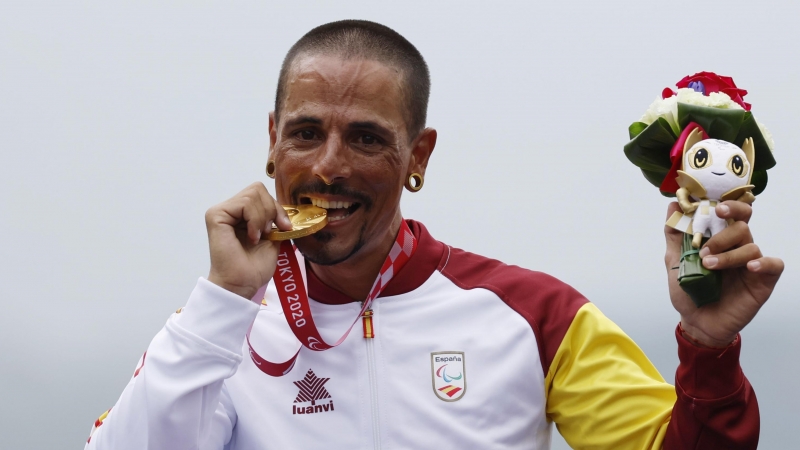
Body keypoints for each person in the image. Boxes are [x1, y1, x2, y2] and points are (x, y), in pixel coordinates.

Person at [85, 20, 783, 449]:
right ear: (272, 144)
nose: (329, 165)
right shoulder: (215, 331)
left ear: (418, 156)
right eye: (305, 133)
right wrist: (223, 302)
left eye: (365, 138)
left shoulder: (538, 318)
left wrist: (710, 349)